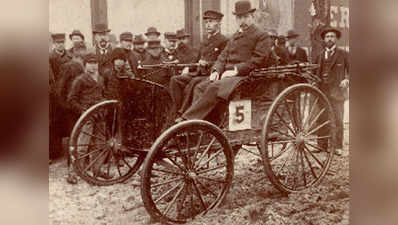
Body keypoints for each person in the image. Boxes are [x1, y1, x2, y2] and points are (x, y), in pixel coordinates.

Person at [176, 0, 272, 123]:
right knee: (201, 87)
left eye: (245, 17)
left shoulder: (261, 35)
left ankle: (189, 120)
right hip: (228, 75)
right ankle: (204, 124)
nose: (242, 21)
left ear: (252, 17)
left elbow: (258, 60)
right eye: (239, 18)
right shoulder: (235, 36)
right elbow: (223, 56)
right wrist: (216, 70)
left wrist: (236, 70)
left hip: (246, 76)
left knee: (214, 87)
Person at [170, 10, 228, 115]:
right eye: (206, 22)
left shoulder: (223, 41)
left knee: (194, 83)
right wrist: (188, 68)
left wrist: (207, 64)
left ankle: (186, 113)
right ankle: (177, 110)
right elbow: (196, 60)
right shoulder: (204, 41)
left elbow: (223, 61)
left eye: (211, 21)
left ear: (219, 23)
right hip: (198, 73)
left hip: (210, 75)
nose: (208, 25)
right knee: (175, 80)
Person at [66, 53, 107, 184]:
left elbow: (102, 94)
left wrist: (104, 106)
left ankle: (97, 169)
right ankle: (73, 173)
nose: (93, 66)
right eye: (90, 63)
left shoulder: (100, 78)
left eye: (95, 63)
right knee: (82, 145)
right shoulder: (80, 80)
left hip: (100, 115)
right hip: (87, 117)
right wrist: (82, 111)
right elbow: (71, 99)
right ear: (85, 65)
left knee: (99, 145)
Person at [315, 26, 349, 155]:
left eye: (332, 36)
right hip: (321, 91)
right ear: (324, 39)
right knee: (322, 118)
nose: (329, 39)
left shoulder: (343, 54)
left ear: (336, 39)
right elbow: (314, 72)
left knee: (338, 119)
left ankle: (337, 147)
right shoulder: (319, 55)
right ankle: (322, 145)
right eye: (327, 37)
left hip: (337, 92)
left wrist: (346, 80)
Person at [56, 41, 87, 138]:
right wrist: (66, 106)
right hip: (70, 108)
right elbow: (60, 88)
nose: (82, 52)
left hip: (81, 105)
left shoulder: (86, 66)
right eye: (79, 50)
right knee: (72, 134)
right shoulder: (68, 66)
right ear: (74, 51)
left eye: (83, 50)